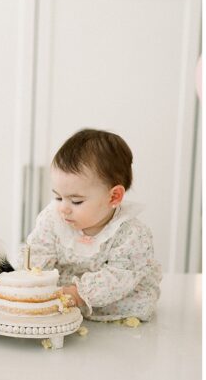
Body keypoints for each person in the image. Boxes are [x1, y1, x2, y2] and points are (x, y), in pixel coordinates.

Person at [25, 128, 161, 321]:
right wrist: (34, 280)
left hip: (115, 295)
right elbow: (38, 251)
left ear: (114, 196)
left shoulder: (132, 234)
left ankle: (82, 303)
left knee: (139, 300)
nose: (63, 208)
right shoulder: (53, 218)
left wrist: (78, 294)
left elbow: (119, 276)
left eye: (76, 201)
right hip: (63, 289)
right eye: (58, 197)